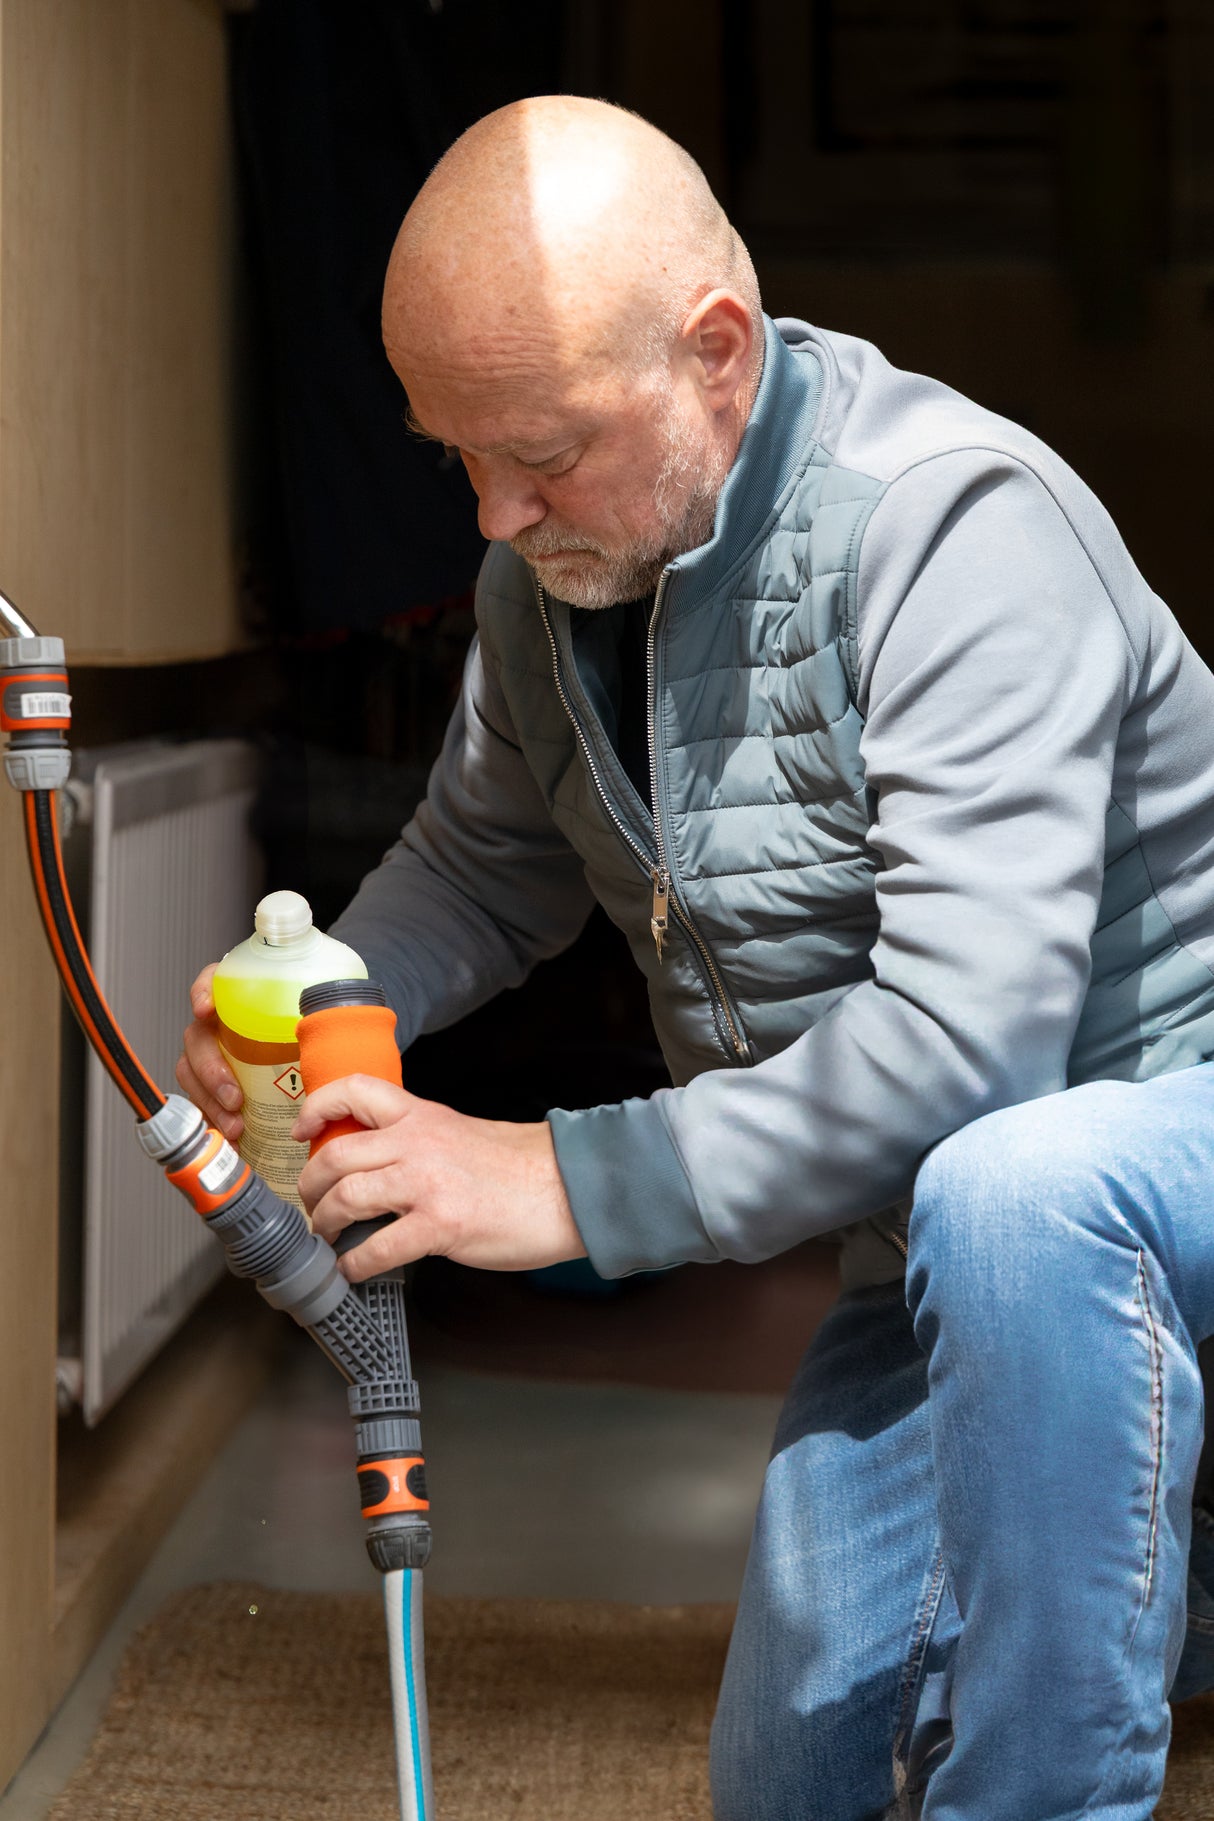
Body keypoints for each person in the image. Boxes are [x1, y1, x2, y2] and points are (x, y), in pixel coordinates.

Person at [179, 95, 1214, 1820]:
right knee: (788, 1785)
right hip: (936, 1258)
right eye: (457, 458)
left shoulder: (955, 530)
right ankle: (1152, 1553)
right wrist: (318, 994)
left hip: (1133, 1171)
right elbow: (483, 862)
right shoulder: (556, 571)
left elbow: (973, 1044)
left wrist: (559, 1182)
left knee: (1019, 1184)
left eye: (541, 450)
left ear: (715, 353)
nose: (496, 518)